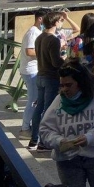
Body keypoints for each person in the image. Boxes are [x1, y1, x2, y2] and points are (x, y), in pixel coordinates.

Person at [39, 60, 94, 187]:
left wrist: (91, 137)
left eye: (69, 85)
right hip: (68, 160)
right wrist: (59, 141)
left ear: (80, 82)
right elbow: (44, 130)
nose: (64, 90)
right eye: (62, 85)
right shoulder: (59, 101)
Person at [28, 12, 67, 152]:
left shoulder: (39, 37)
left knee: (39, 108)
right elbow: (56, 62)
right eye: (61, 20)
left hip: (40, 75)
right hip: (51, 77)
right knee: (49, 111)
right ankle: (44, 142)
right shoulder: (53, 40)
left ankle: (34, 140)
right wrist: (64, 58)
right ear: (55, 23)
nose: (62, 23)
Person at [18, 9, 47, 141]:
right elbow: (29, 51)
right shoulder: (33, 33)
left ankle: (27, 126)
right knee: (33, 100)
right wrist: (43, 52)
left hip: (33, 70)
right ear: (40, 19)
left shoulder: (37, 32)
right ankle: (25, 128)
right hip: (30, 71)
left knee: (34, 100)